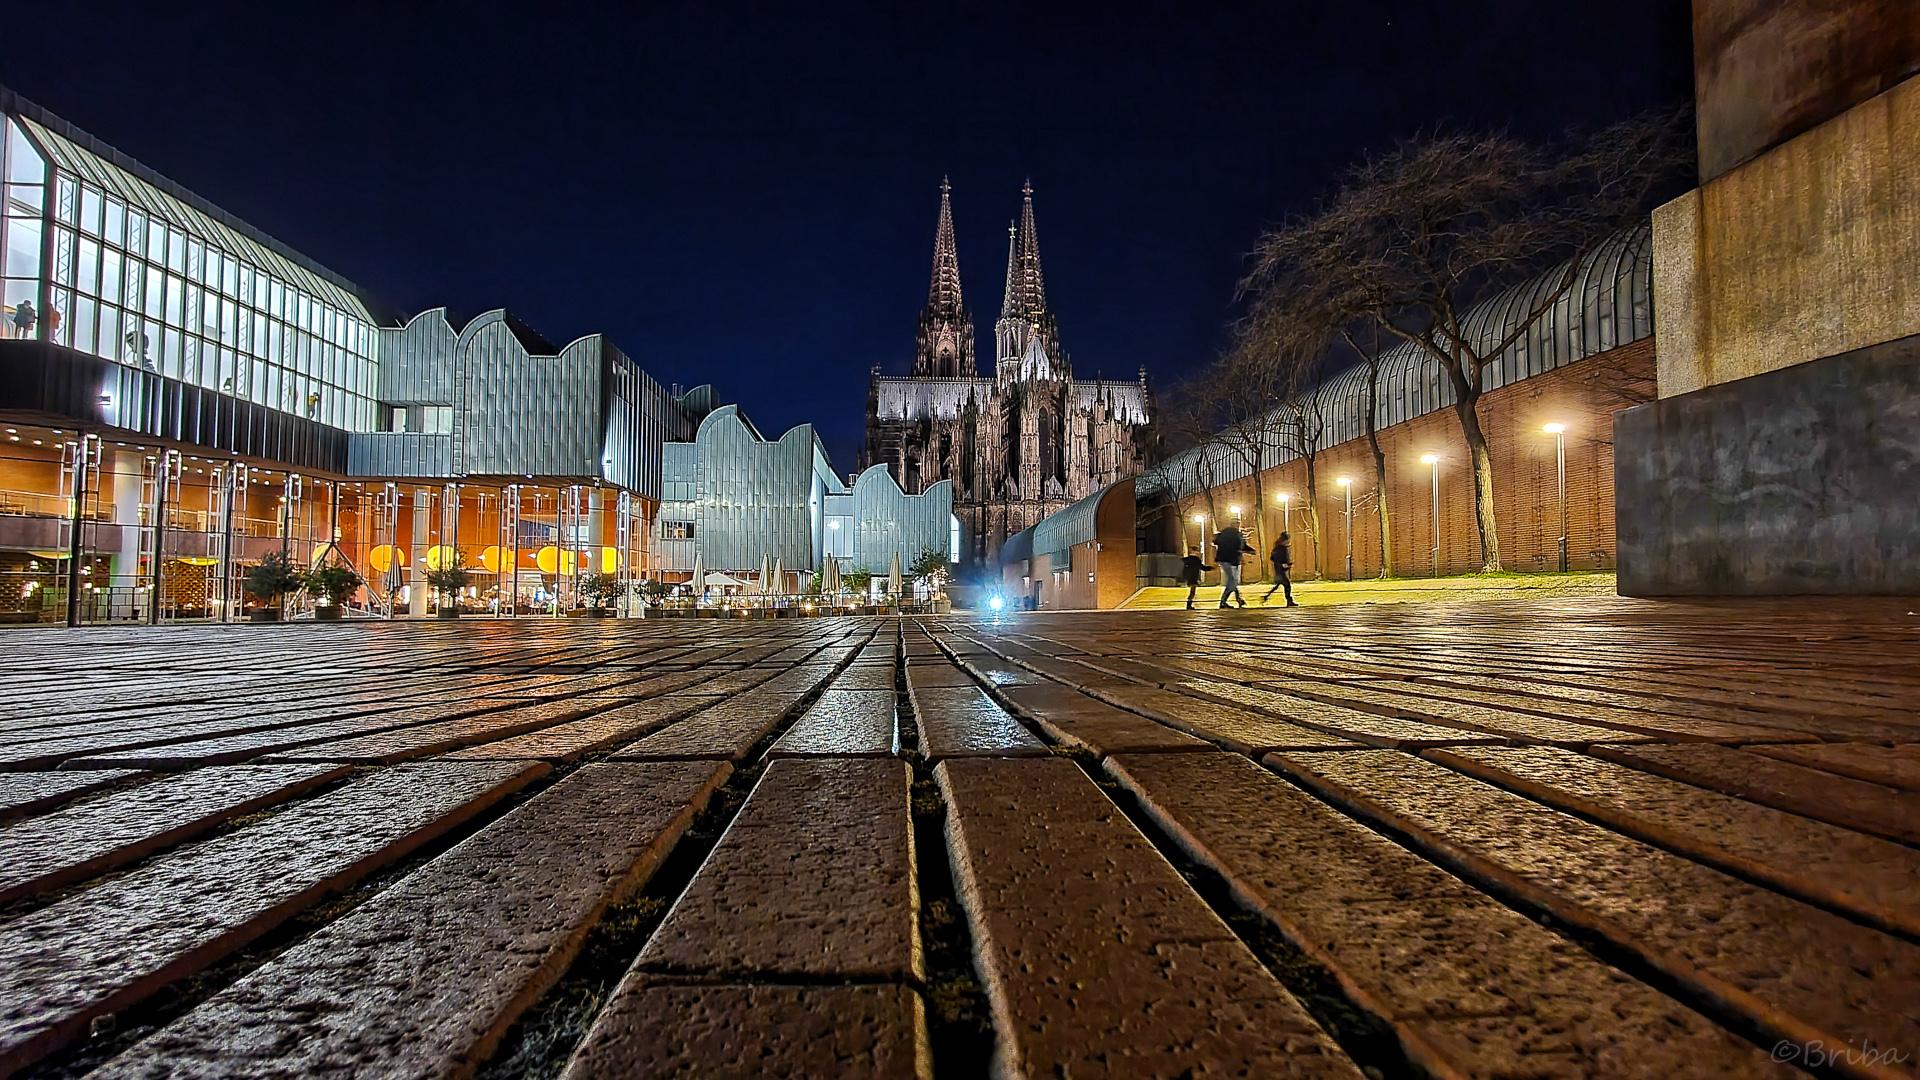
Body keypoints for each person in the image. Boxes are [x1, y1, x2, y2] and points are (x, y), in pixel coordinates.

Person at [1213, 521, 1248, 608]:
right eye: (1236, 523)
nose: (1238, 525)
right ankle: (1224, 601)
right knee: (1232, 581)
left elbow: (1216, 542)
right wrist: (1247, 550)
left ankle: (1237, 600)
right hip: (1231, 559)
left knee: (1233, 581)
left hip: (1229, 559)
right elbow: (1240, 545)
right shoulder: (1235, 534)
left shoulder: (1224, 533)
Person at [1264, 531, 1298, 606]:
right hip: (1281, 569)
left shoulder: (1277, 548)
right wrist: (1283, 564)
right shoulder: (1281, 548)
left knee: (1280, 584)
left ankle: (1267, 596)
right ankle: (1289, 600)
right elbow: (1277, 558)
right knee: (1286, 585)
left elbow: (1273, 558)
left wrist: (1288, 563)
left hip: (1279, 569)